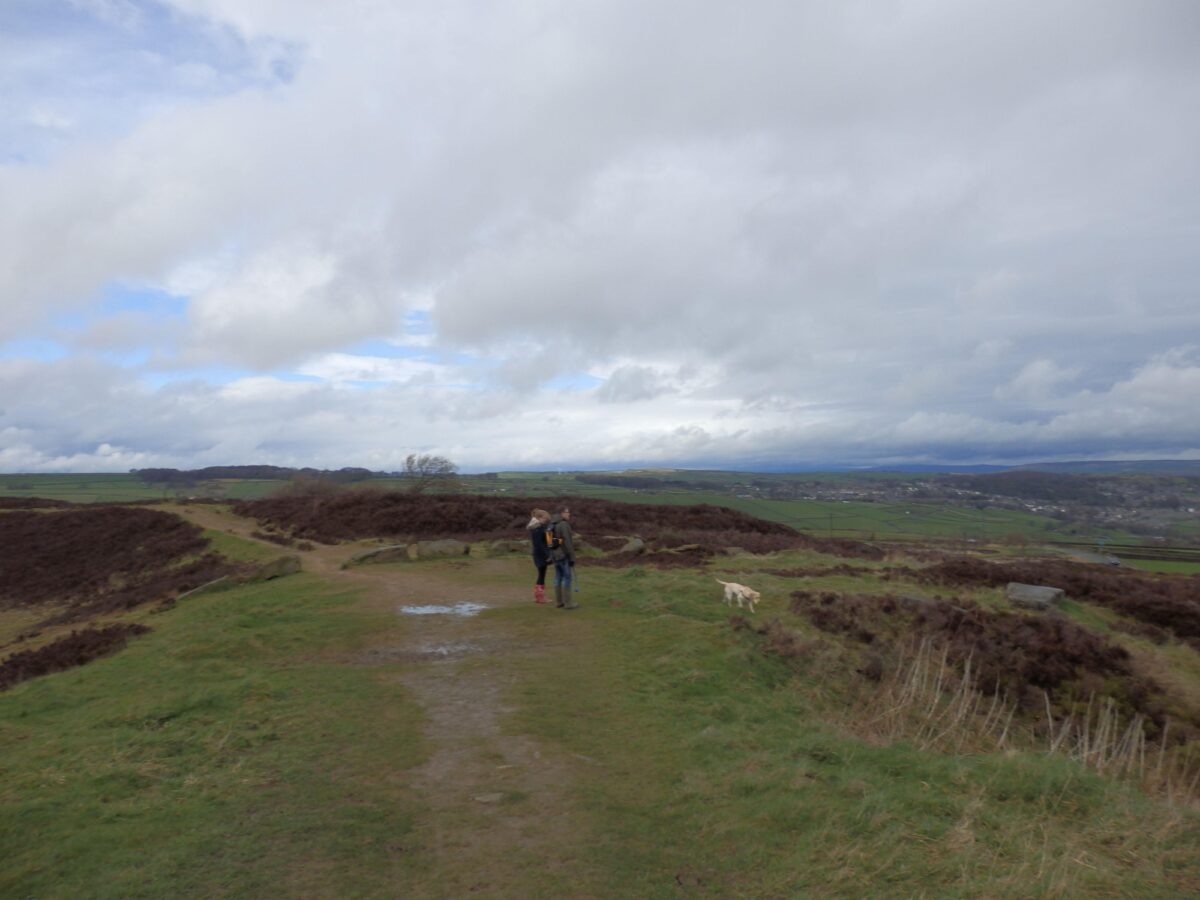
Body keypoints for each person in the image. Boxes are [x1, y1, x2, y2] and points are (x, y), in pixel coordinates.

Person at [549, 505, 578, 609]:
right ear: (562, 513)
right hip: (564, 555)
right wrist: (572, 558)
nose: (569, 513)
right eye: (567, 512)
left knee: (558, 577)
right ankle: (568, 603)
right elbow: (568, 542)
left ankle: (559, 602)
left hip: (555, 555)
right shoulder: (563, 525)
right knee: (567, 578)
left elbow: (550, 542)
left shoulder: (552, 523)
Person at [526, 508, 552, 604]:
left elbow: (545, 541)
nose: (546, 521)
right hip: (541, 555)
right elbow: (540, 544)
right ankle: (540, 597)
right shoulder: (538, 529)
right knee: (541, 575)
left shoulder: (537, 528)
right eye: (545, 519)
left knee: (541, 575)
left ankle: (539, 596)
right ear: (539, 518)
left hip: (539, 554)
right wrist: (548, 554)